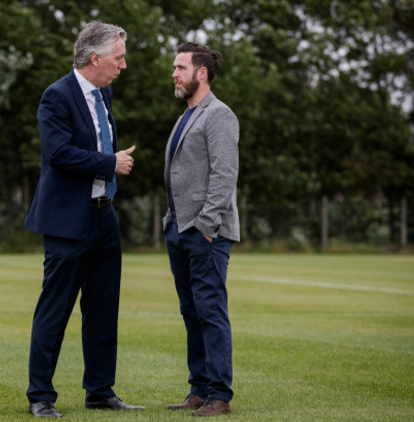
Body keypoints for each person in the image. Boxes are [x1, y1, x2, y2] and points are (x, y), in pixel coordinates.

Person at [23, 21, 143, 418]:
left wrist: (107, 168)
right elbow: (58, 153)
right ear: (96, 58)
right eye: (119, 58)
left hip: (104, 217)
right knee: (54, 310)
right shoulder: (55, 96)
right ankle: (40, 396)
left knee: (104, 308)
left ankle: (100, 392)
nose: (123, 66)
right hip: (67, 223)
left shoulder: (104, 93)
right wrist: (110, 162)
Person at [163, 42, 240, 417]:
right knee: (191, 312)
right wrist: (171, 223)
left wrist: (207, 226)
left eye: (180, 67)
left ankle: (219, 396)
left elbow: (224, 175)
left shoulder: (219, 115)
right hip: (179, 230)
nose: (174, 74)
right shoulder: (187, 115)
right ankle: (198, 389)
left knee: (210, 312)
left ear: (202, 72)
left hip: (206, 232)